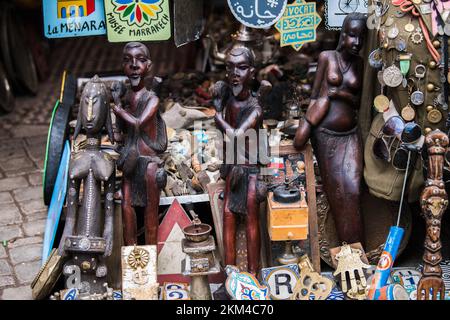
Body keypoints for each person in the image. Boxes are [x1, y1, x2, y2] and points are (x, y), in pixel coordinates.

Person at [294, 13, 368, 245]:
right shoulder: (327, 57)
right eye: (352, 36)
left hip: (350, 133)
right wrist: (307, 124)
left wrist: (340, 94)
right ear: (343, 35)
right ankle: (348, 249)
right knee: (337, 190)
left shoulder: (360, 63)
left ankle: (358, 248)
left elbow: (358, 102)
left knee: (353, 187)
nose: (356, 43)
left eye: (361, 38)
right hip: (326, 135)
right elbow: (315, 96)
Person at [212, 47, 265, 275]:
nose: (235, 73)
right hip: (233, 171)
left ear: (252, 73)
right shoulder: (229, 104)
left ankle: (253, 274)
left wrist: (218, 120)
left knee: (252, 221)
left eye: (242, 68)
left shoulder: (255, 108)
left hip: (250, 172)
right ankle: (230, 274)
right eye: (230, 67)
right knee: (228, 219)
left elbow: (236, 134)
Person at [111, 42, 167, 246]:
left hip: (148, 165)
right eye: (128, 60)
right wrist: (118, 106)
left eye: (141, 60)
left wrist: (119, 111)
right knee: (127, 209)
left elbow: (138, 123)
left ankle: (150, 265)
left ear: (149, 66)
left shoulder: (152, 99)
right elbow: (120, 134)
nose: (134, 65)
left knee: (151, 215)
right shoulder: (126, 97)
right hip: (130, 165)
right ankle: (132, 267)